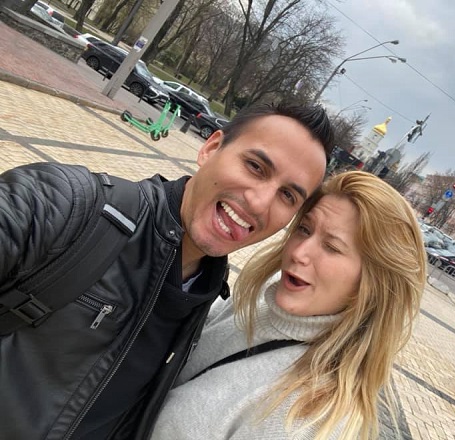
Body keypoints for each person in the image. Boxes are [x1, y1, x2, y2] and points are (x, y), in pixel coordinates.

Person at [0, 103, 334, 440]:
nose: (260, 202)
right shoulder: (68, 204)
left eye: (287, 195)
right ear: (211, 148)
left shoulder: (205, 292)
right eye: (255, 167)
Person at [151, 171, 427, 440]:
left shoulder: (311, 417)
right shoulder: (262, 297)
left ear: (374, 284)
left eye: (331, 247)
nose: (298, 252)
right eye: (304, 229)